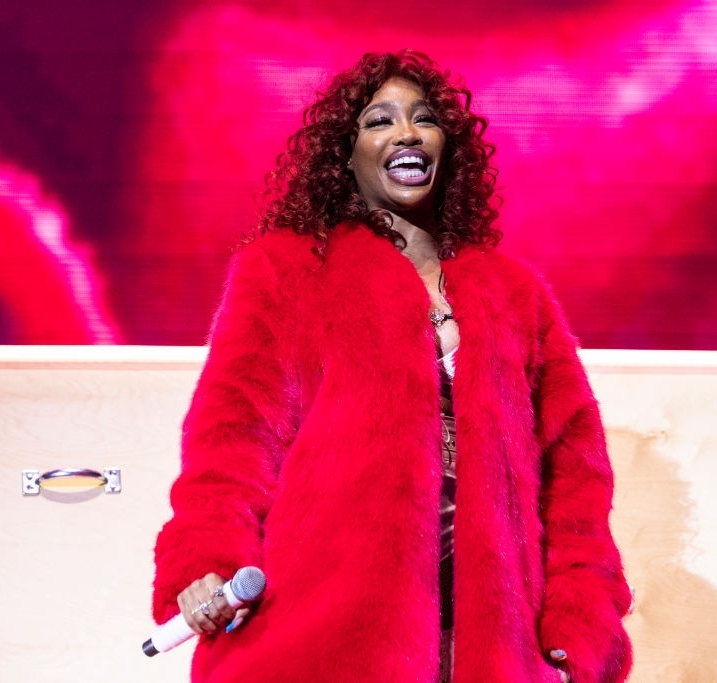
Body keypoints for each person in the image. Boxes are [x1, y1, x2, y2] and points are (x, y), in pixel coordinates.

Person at [152, 50, 633, 683]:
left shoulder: (516, 296)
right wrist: (207, 561)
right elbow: (231, 442)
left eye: (424, 119)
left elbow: (575, 486)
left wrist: (576, 636)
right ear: (344, 156)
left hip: (488, 648)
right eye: (379, 121)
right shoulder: (287, 272)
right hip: (326, 638)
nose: (406, 132)